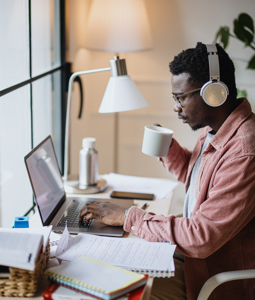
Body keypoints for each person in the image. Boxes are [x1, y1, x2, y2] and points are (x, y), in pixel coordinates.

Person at [79, 42, 255, 300]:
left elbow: (200, 236)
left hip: (210, 280)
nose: (176, 107)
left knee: (114, 290)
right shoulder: (215, 128)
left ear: (214, 93)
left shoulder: (243, 151)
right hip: (190, 259)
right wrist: (167, 148)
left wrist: (129, 216)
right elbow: (198, 181)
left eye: (181, 97)